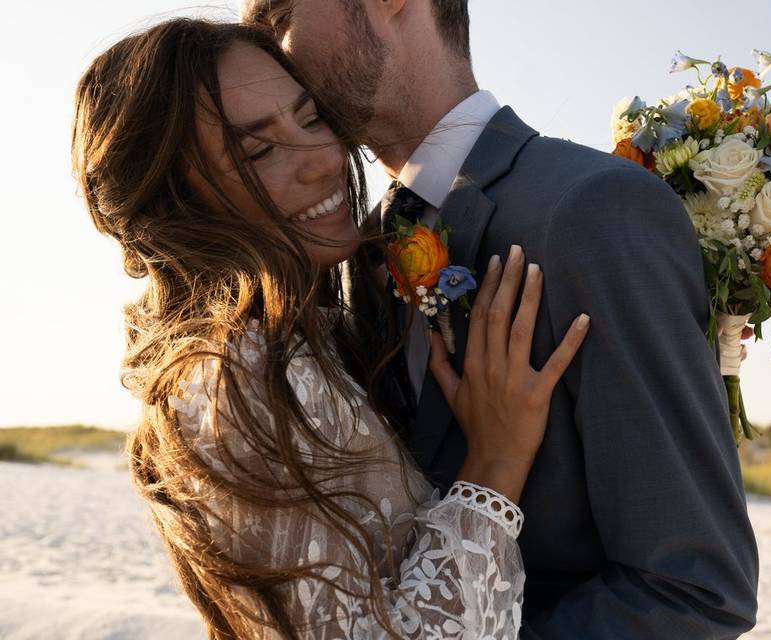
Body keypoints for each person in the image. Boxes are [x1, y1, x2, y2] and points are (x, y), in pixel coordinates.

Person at [241, 1, 761, 637]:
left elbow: (693, 588)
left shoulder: (593, 208)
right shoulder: (355, 243)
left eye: (277, 13)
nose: (258, 44)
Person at [72, 18, 590, 639]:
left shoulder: (305, 339)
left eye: (312, 118)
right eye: (259, 150)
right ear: (177, 206)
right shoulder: (232, 383)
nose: (323, 158)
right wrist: (496, 464)